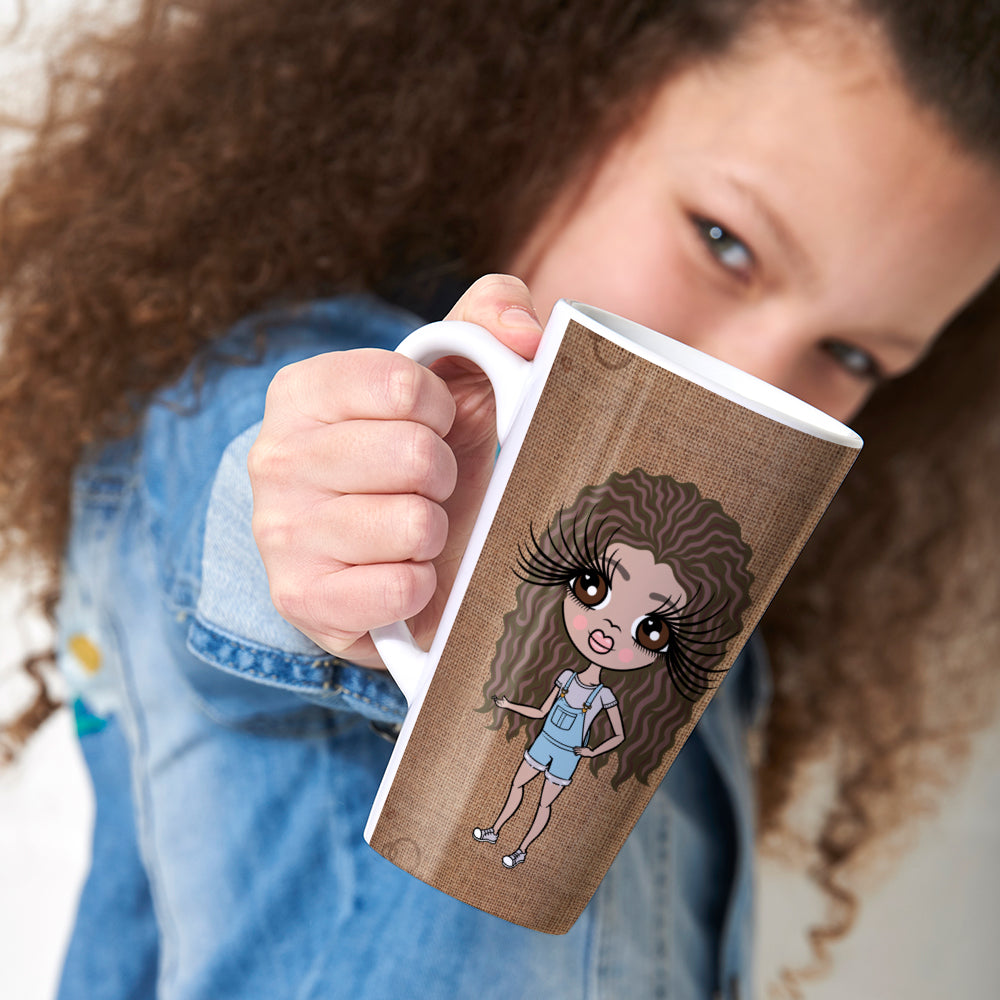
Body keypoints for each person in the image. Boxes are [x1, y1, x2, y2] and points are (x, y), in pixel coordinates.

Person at [0, 0, 998, 997]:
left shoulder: (684, 593)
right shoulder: (324, 386)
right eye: (723, 242)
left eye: (852, 354)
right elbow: (231, 497)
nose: (758, 380)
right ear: (573, 96)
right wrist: (331, 521)